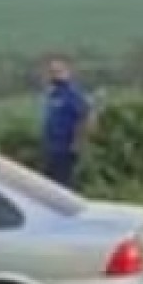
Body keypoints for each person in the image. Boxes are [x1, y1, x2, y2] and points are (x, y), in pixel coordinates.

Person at [41, 56, 95, 189]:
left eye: (58, 71)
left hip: (65, 148)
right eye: (52, 72)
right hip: (51, 147)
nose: (55, 75)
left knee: (63, 184)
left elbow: (86, 116)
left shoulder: (72, 93)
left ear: (67, 72)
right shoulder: (53, 95)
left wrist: (78, 143)